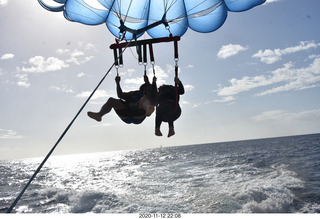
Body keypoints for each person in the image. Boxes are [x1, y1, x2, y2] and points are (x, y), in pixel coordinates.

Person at [87, 75, 157, 124]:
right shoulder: (134, 93)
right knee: (111, 100)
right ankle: (99, 115)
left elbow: (149, 96)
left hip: (139, 113)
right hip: (126, 113)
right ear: (144, 88)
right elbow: (120, 95)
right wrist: (117, 83)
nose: (149, 90)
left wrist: (147, 82)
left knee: (145, 98)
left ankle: (148, 110)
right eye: (148, 88)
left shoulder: (148, 97)